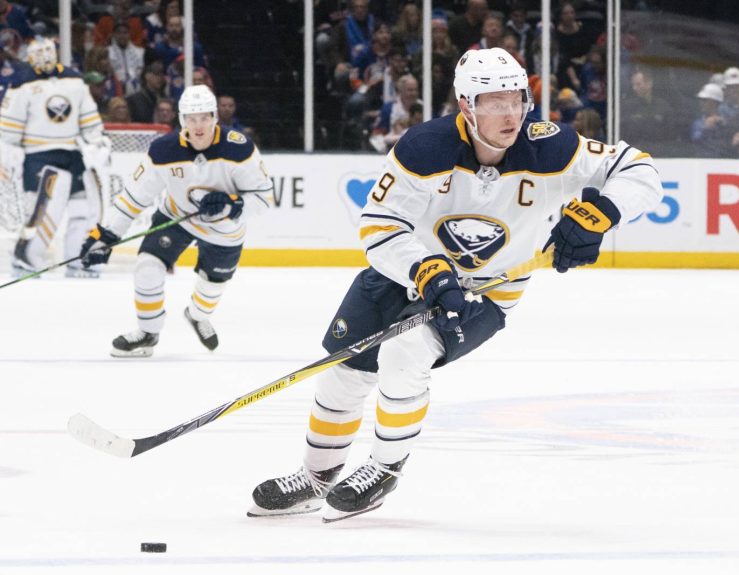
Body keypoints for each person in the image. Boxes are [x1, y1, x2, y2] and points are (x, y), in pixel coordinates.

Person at [247, 48, 663, 523]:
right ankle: (316, 477)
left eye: (517, 100)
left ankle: (383, 469)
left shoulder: (551, 146)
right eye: (496, 103)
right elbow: (380, 225)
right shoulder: (424, 147)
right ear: (467, 105)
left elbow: (639, 169)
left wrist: (601, 213)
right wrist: (426, 270)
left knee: (404, 354)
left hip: (488, 290)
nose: (511, 114)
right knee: (343, 372)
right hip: (405, 273)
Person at [78, 85, 273, 357]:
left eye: (204, 117)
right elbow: (133, 197)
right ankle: (148, 333)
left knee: (211, 289)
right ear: (182, 120)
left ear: (214, 117)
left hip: (224, 230)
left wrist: (232, 204)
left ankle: (196, 315)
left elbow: (264, 198)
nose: (198, 125)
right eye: (192, 119)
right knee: (147, 266)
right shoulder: (163, 150)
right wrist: (106, 235)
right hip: (176, 218)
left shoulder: (239, 148)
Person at [0, 37, 111, 278]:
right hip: (37, 155)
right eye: (38, 53)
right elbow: (8, 130)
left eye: (47, 51)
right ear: (30, 57)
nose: (44, 57)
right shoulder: (21, 83)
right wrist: (7, 156)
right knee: (44, 210)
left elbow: (89, 119)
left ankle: (78, 257)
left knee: (84, 206)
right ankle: (26, 257)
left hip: (72, 152)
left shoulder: (74, 79)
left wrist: (97, 142)